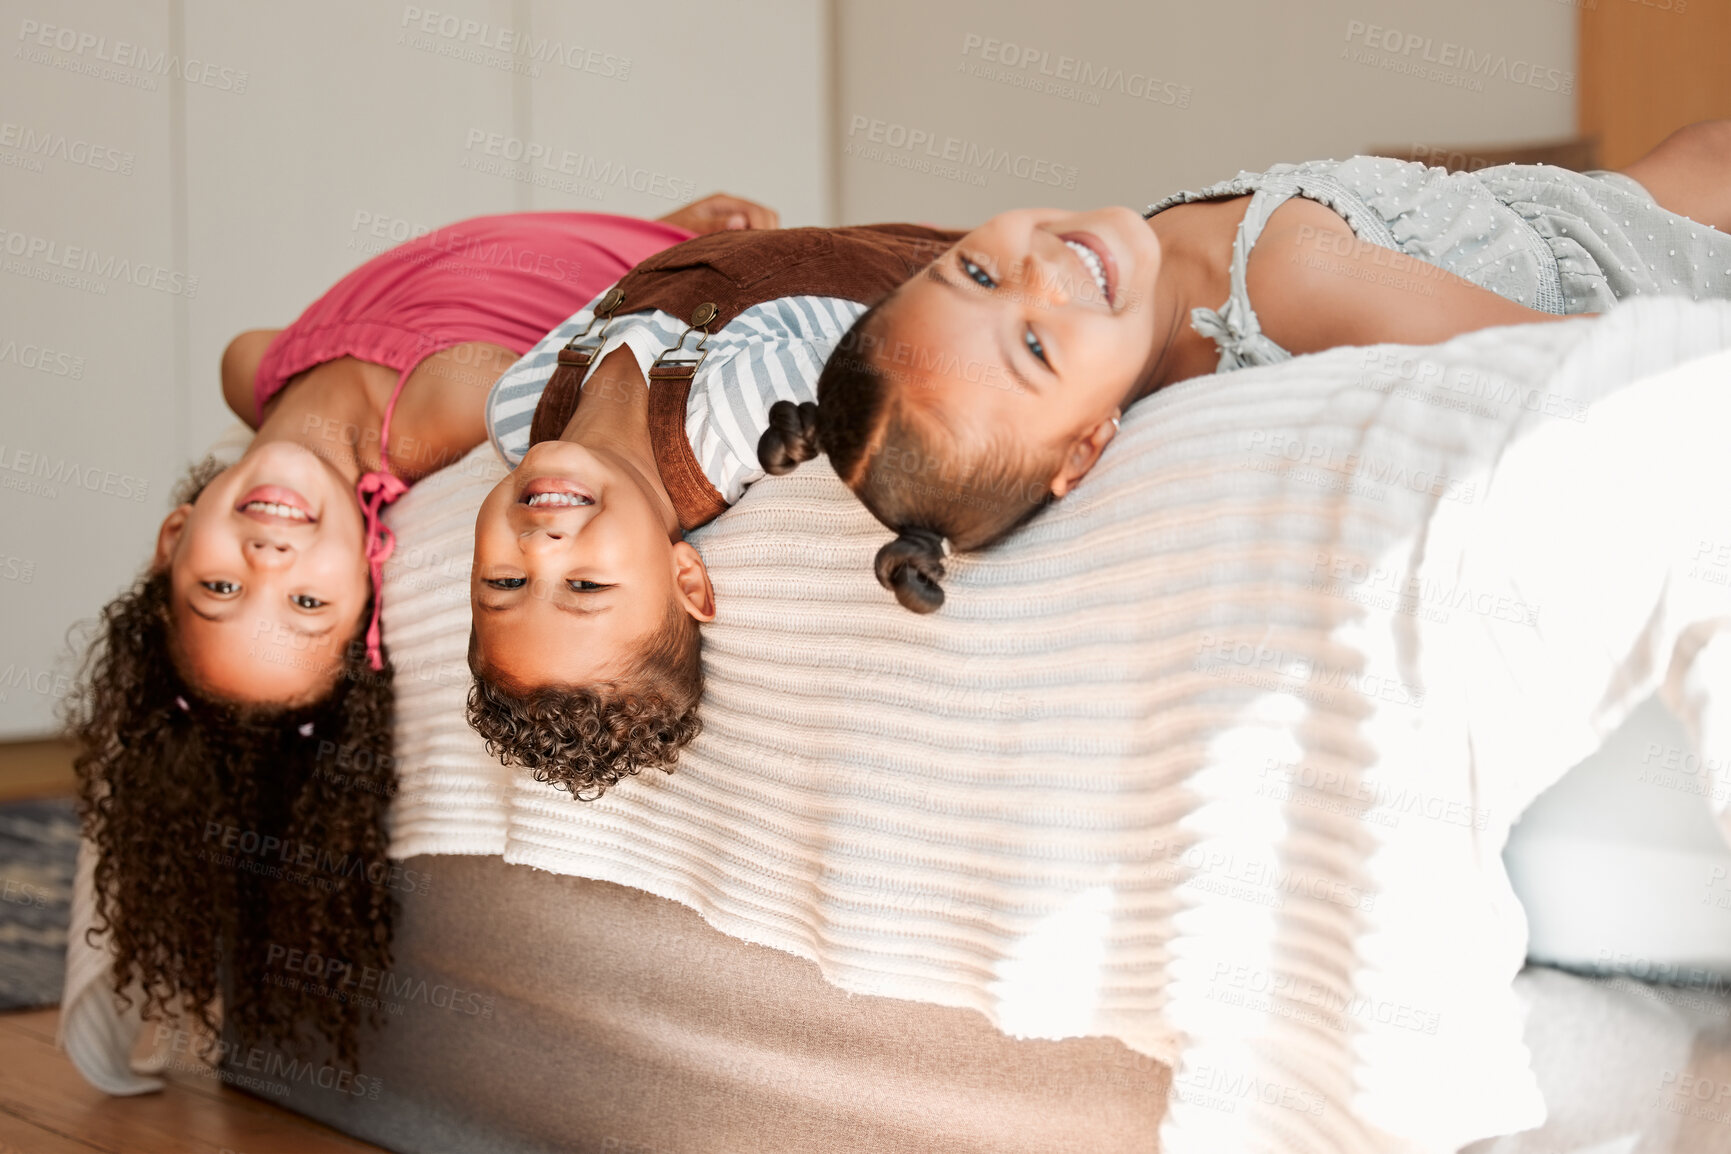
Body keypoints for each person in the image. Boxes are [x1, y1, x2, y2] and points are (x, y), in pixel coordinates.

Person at [66, 194, 777, 1061]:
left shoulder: (248, 370)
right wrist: (683, 250)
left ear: (173, 538)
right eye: (307, 605)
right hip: (669, 270)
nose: (267, 561)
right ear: (370, 573)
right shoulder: (443, 415)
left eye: (217, 586)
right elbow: (596, 351)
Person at [757, 121, 1731, 612]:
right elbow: (1590, 360)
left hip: (1582, 202)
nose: (1042, 271)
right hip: (1642, 257)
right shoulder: (1289, 276)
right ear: (1089, 445)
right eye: (1039, 346)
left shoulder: (1139, 274)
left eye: (974, 270)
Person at [466, 224, 960, 799]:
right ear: (686, 578)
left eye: (505, 581)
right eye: (586, 585)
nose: (539, 547)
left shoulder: (515, 407)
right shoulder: (733, 425)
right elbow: (920, 392)